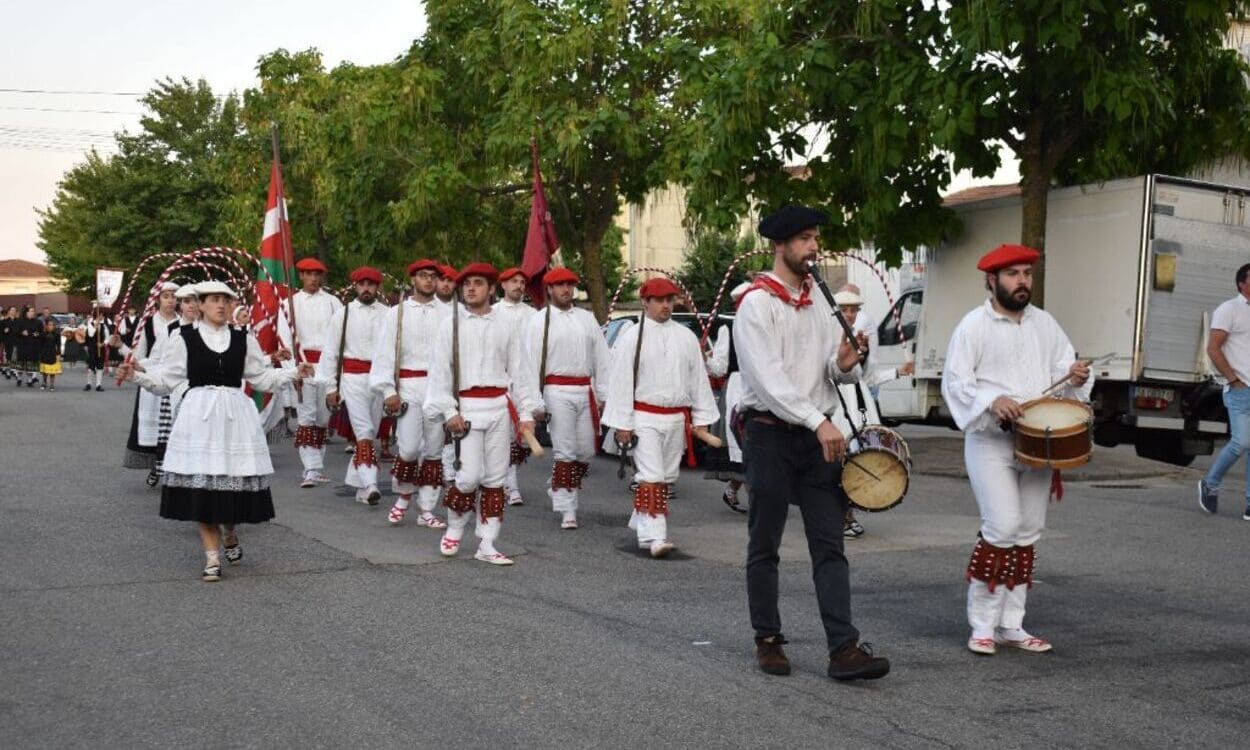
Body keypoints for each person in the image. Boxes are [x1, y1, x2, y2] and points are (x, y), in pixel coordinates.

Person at [735, 205, 890, 682]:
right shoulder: (756, 305)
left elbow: (831, 370)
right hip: (769, 435)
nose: (814, 246)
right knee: (765, 543)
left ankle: (843, 649)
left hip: (815, 435)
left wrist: (844, 362)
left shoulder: (822, 302)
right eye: (804, 238)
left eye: (815, 238)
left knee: (830, 544)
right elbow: (768, 382)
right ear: (780, 246)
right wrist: (815, 421)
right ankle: (768, 638)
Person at [941, 243, 1092, 656]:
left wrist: (1076, 376)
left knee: (1027, 532)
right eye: (1013, 274)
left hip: (1038, 442)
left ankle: (1012, 624)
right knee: (1003, 527)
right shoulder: (973, 326)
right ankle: (983, 625)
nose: (1022, 281)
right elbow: (956, 383)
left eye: (1026, 273)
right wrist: (992, 401)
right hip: (990, 441)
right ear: (992, 281)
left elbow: (1066, 376)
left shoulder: (1045, 323)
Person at [118, 281, 314, 581]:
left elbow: (261, 378)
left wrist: (292, 373)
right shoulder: (183, 337)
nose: (221, 305)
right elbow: (165, 381)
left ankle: (230, 532)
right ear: (201, 304)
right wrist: (136, 375)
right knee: (202, 489)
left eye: (226, 300)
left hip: (235, 418)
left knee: (230, 490)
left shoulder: (243, 338)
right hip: (199, 417)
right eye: (214, 300)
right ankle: (212, 558)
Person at [424, 262, 541, 565]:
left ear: (491, 289)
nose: (470, 288)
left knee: (495, 478)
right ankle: (454, 526)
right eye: (467, 284)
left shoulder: (506, 325)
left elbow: (521, 371)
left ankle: (487, 543)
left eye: (477, 283)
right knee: (467, 477)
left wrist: (526, 410)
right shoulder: (450, 325)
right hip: (467, 408)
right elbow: (439, 373)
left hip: (499, 407)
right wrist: (449, 411)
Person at [602, 277, 717, 558]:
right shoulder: (632, 337)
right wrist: (623, 424)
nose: (666, 305)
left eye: (670, 300)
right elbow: (620, 382)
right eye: (659, 300)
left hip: (676, 419)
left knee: (666, 476)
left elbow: (697, 380)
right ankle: (655, 536)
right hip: (645, 417)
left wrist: (701, 418)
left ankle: (642, 519)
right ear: (645, 302)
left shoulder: (687, 337)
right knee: (652, 475)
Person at [521, 268, 609, 529]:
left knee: (586, 452)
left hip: (585, 390)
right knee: (566, 450)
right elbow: (529, 364)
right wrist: (533, 402)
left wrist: (604, 394)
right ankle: (568, 508)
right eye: (559, 285)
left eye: (569, 285)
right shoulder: (540, 321)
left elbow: (601, 358)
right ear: (549, 289)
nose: (565, 290)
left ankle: (559, 485)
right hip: (556, 390)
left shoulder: (587, 318)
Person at [369, 258, 450, 529]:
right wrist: (389, 390)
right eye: (423, 276)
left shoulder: (449, 313)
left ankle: (427, 508)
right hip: (409, 387)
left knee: (435, 449)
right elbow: (383, 353)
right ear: (413, 279)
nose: (429, 280)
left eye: (433, 276)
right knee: (410, 447)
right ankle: (404, 494)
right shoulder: (397, 313)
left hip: (439, 388)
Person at [831, 288, 915, 539]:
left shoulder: (861, 341)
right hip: (836, 404)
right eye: (844, 310)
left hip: (860, 405)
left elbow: (869, 378)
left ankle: (847, 514)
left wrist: (899, 372)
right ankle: (838, 516)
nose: (849, 315)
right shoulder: (827, 338)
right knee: (838, 460)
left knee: (859, 457)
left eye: (854, 310)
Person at [315, 267, 390, 505]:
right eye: (362, 284)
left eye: (371, 284)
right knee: (364, 430)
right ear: (355, 286)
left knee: (369, 432)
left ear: (377, 287)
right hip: (353, 379)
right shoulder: (343, 314)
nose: (366, 288)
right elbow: (329, 352)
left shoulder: (389, 314)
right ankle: (371, 484)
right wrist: (330, 387)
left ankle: (359, 488)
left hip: (379, 380)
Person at [1199, 263, 1250, 521]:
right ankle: (1210, 482)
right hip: (1239, 390)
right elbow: (1213, 348)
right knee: (1241, 442)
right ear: (1242, 283)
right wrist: (1233, 378)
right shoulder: (1229, 309)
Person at [114, 283, 181, 477]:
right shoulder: (148, 324)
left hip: (174, 380)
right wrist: (121, 347)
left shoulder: (184, 323)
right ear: (158, 299)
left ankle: (171, 468)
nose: (170, 300)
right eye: (166, 296)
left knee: (174, 425)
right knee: (154, 427)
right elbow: (137, 357)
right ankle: (155, 466)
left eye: (174, 296)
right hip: (151, 377)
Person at [288, 257, 344, 488]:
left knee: (323, 418)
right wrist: (293, 371)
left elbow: (342, 336)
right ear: (301, 276)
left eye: (317, 274)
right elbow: (285, 336)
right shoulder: (291, 303)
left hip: (327, 366)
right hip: (303, 365)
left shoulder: (333, 303)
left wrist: (338, 371)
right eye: (308, 274)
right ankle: (310, 468)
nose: (312, 278)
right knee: (307, 417)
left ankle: (316, 466)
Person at [703, 283, 752, 513]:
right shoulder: (728, 328)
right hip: (738, 388)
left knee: (756, 445)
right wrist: (707, 360)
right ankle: (755, 500)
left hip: (762, 386)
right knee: (743, 443)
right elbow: (719, 368)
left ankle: (734, 491)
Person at [495, 266, 539, 506]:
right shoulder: (493, 313)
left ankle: (508, 481)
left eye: (522, 282)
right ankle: (508, 485)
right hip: (500, 383)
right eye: (514, 281)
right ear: (503, 285)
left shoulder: (533, 315)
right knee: (502, 438)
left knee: (518, 437)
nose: (519, 286)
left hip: (525, 380)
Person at [80, 304, 113, 391]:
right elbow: (90, 334)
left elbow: (107, 337)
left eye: (102, 315)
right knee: (91, 366)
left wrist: (103, 344)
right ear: (97, 316)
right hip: (92, 349)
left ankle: (98, 384)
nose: (102, 316)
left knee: (100, 366)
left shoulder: (104, 326)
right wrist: (95, 326)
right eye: (100, 315)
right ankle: (89, 383)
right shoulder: (90, 324)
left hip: (100, 348)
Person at [17, 306, 42, 387]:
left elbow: (42, 332)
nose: (32, 313)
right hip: (22, 346)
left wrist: (38, 334)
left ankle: (30, 380)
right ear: (26, 312)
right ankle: (19, 378)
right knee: (21, 365)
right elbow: (15, 332)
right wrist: (21, 333)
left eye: (33, 311)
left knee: (31, 365)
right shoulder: (20, 321)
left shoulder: (38, 322)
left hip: (33, 346)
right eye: (31, 311)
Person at [37, 317, 62, 391]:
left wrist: (59, 354)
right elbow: (40, 344)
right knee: (45, 370)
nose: (51, 326)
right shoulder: (43, 334)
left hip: (53, 353)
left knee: (52, 370)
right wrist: (40, 353)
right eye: (49, 325)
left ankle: (52, 384)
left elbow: (59, 345)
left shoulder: (57, 334)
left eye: (52, 325)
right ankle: (44, 382)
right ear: (46, 326)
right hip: (45, 353)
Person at [3, 306, 21, 380]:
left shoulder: (19, 321)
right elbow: (1, 332)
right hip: (8, 341)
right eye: (11, 310)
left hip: (17, 341)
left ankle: (14, 371)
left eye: (14, 310)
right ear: (9, 311)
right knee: (9, 357)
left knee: (15, 357)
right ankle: (8, 371)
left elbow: (20, 330)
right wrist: (4, 331)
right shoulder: (4, 321)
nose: (13, 311)